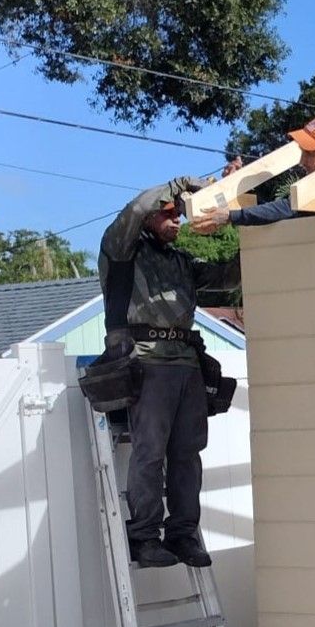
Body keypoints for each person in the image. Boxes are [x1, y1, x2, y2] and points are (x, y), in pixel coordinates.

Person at [98, 172, 239, 569]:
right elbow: (138, 206)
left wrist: (245, 209)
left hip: (186, 365)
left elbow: (230, 275)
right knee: (149, 454)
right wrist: (178, 186)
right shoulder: (120, 251)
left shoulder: (182, 262)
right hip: (146, 364)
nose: (176, 218)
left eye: (179, 214)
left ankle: (182, 535)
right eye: (168, 214)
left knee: (187, 454)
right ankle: (144, 537)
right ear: (146, 221)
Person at [189, 115, 315, 232]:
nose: (303, 161)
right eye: (302, 152)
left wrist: (231, 216)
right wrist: (236, 196)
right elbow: (279, 212)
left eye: (310, 153)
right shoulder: (313, 188)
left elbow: (288, 209)